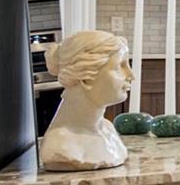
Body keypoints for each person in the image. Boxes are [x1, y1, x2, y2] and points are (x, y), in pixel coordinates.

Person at [40, 30, 132, 171]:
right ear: (86, 78)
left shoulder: (108, 129)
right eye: (119, 66)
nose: (131, 75)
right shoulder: (60, 144)